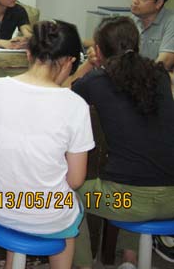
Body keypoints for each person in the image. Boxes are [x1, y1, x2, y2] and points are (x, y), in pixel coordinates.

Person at [0, 21, 94, 269]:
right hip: (47, 213)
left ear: (28, 53)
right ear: (70, 62)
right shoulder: (75, 106)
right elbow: (75, 180)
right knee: (70, 213)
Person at [71, 16, 174, 269]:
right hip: (172, 199)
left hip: (124, 202)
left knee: (68, 194)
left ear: (99, 50)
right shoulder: (159, 76)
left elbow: (65, 92)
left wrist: (88, 64)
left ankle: (82, 265)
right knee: (139, 168)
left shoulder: (96, 81)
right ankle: (130, 257)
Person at [129, 0, 174, 70]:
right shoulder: (133, 19)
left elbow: (165, 62)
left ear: (159, 3)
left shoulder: (171, 22)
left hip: (157, 76)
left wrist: (141, 76)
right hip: (135, 74)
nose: (135, 1)